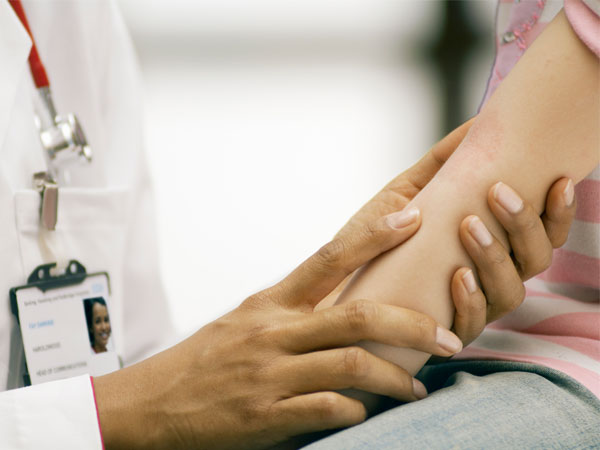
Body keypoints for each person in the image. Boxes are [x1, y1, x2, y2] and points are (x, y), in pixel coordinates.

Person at [0, 2, 592, 450]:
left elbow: (148, 368)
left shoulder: (74, 20)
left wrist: (310, 322)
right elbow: (155, 398)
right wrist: (121, 410)